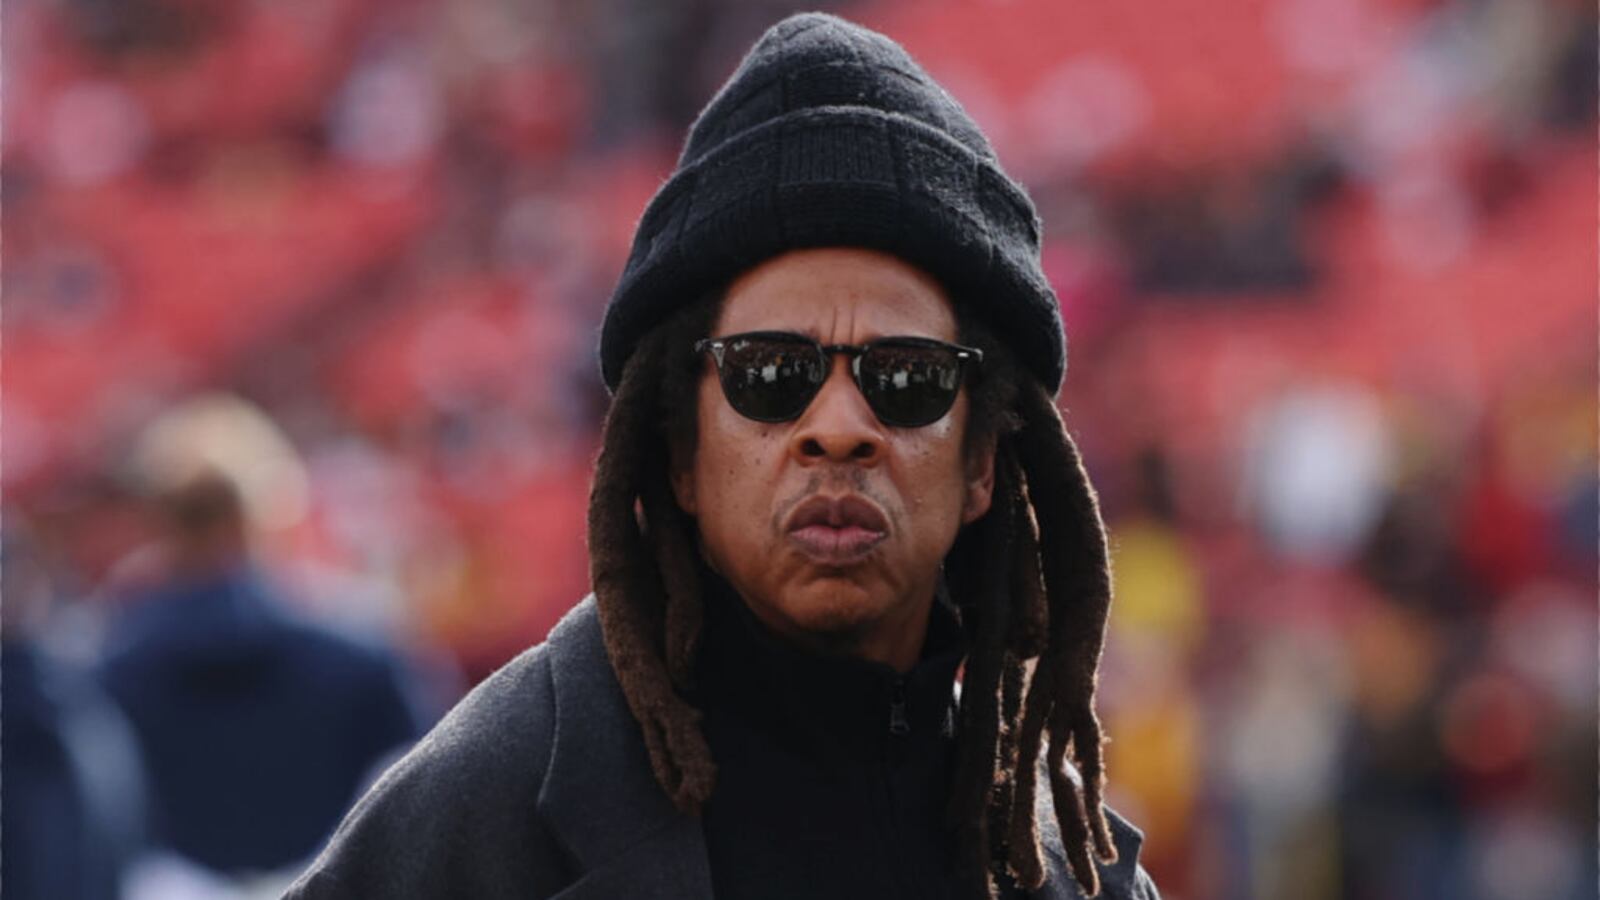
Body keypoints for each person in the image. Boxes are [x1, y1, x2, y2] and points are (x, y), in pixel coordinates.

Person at [288, 12, 1158, 899]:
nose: (839, 426)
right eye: (772, 374)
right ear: (678, 456)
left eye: (906, 379)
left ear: (981, 466)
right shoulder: (465, 832)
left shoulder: (1079, 877)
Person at [99, 395, 426, 879]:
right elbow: (428, 793)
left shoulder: (110, 664)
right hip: (331, 881)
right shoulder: (361, 648)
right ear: (269, 511)